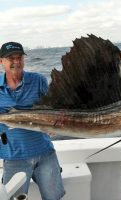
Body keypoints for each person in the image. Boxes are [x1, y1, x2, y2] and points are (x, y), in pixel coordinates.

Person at [0, 42, 65, 200]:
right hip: (14, 157)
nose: (16, 62)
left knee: (54, 197)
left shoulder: (38, 80)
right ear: (1, 61)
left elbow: (51, 107)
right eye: (11, 58)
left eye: (19, 57)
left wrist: (54, 124)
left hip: (45, 154)